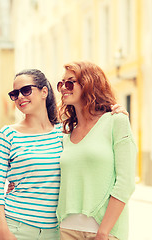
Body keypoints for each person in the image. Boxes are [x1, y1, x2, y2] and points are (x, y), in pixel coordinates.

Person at [56, 61, 136, 240]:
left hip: (105, 232)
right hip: (66, 230)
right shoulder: (64, 134)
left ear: (89, 83)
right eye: (61, 84)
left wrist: (103, 231)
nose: (63, 88)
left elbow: (126, 182)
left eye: (70, 82)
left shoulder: (116, 121)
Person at [0, 69, 63, 240]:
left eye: (26, 90)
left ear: (44, 91)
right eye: (15, 93)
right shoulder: (8, 135)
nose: (20, 96)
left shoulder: (63, 133)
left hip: (55, 232)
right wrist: (3, 231)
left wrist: (115, 112)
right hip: (17, 228)